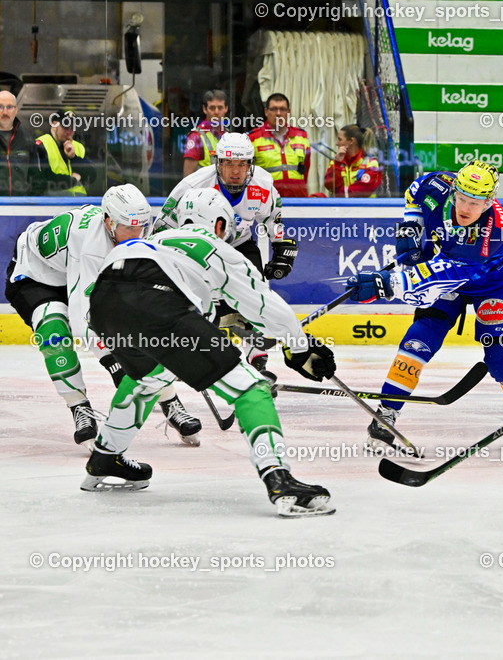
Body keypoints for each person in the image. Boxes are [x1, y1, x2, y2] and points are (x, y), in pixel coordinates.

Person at [84, 188, 338, 517]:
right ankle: (280, 480)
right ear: (219, 225)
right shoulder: (217, 249)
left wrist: (213, 317)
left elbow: (172, 290)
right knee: (251, 388)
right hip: (158, 304)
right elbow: (265, 306)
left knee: (149, 378)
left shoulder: (155, 240)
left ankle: (104, 458)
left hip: (104, 308)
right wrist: (300, 347)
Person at [343, 161, 503, 451]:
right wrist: (412, 226)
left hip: (494, 284)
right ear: (454, 189)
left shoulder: (490, 237)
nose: (464, 208)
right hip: (447, 272)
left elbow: (435, 278)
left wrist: (388, 283)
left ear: (489, 202)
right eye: (460, 198)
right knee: (418, 340)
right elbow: (416, 191)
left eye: (474, 203)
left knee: (502, 358)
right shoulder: (439, 186)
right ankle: (387, 413)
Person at [4, 184, 202, 446]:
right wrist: (114, 363)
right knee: (53, 329)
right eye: (128, 228)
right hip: (35, 275)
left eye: (140, 227)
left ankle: (170, 401)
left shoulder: (137, 234)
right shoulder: (90, 245)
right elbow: (81, 317)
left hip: (70, 270)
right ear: (108, 221)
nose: (136, 234)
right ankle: (79, 408)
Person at [159, 132, 293, 372]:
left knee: (256, 292)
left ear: (250, 165)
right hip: (198, 249)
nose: (235, 171)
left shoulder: (263, 185)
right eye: (229, 163)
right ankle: (182, 352)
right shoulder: (192, 185)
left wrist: (282, 249)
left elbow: (273, 219)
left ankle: (257, 358)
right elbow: (162, 227)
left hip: (239, 243)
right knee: (191, 300)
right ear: (217, 163)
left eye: (242, 164)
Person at [248, 93, 311, 198]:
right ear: (266, 112)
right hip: (266, 201)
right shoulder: (253, 138)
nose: (278, 113)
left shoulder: (301, 136)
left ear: (288, 112)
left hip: (297, 200)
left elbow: (306, 168)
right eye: (273, 109)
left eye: (282, 109)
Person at [34, 110, 95, 196]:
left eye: (73, 128)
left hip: (80, 201)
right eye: (65, 127)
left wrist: (73, 157)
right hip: (53, 202)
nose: (69, 132)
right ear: (54, 124)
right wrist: (72, 180)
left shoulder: (78, 146)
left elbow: (91, 176)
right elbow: (41, 180)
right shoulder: (41, 144)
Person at [323, 125, 383, 197]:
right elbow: (329, 185)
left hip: (365, 207)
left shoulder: (371, 163)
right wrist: (337, 163)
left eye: (340, 139)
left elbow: (364, 189)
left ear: (351, 141)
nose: (336, 143)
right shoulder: (336, 162)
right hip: (341, 207)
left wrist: (341, 193)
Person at [0, 91, 40, 196]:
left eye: (9, 107)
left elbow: (36, 176)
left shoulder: (27, 137)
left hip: (20, 205)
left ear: (16, 110)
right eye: (0, 107)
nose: (5, 112)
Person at [183, 89, 229, 176]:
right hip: (203, 189)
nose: (216, 112)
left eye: (220, 108)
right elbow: (187, 179)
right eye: (212, 108)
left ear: (226, 108)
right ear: (204, 109)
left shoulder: (229, 136)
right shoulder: (196, 137)